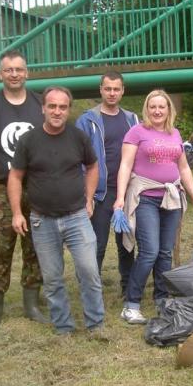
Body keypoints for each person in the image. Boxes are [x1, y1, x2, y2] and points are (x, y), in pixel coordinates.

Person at [7, 86, 106, 338]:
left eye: (62, 107)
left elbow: (93, 166)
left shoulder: (78, 137)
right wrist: (17, 212)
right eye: (52, 106)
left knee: (89, 272)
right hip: (42, 221)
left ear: (68, 109)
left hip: (77, 217)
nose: (57, 111)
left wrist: (90, 197)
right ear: (43, 108)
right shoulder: (28, 141)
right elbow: (16, 177)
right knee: (52, 279)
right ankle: (64, 327)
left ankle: (95, 325)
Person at [114, 89, 193, 324]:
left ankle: (161, 299)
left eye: (161, 107)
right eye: (152, 106)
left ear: (168, 110)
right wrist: (120, 197)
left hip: (171, 197)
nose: (157, 111)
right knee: (150, 251)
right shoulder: (136, 132)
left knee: (165, 252)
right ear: (146, 109)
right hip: (145, 198)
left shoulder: (175, 134)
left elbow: (183, 168)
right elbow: (125, 165)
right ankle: (131, 304)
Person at [0, 50, 47, 335]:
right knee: (0, 248)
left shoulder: (40, 103)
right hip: (0, 189)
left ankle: (32, 304)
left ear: (27, 72)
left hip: (38, 187)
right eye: (9, 70)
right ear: (0, 74)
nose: (15, 74)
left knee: (36, 247)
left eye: (19, 69)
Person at [76, 70, 138, 295]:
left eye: (116, 89)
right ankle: (91, 289)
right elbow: (78, 158)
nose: (112, 93)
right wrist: (87, 195)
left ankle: (127, 287)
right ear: (101, 90)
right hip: (99, 192)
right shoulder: (87, 119)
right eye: (107, 88)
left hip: (126, 191)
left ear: (123, 91)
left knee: (126, 243)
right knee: (96, 244)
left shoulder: (132, 119)